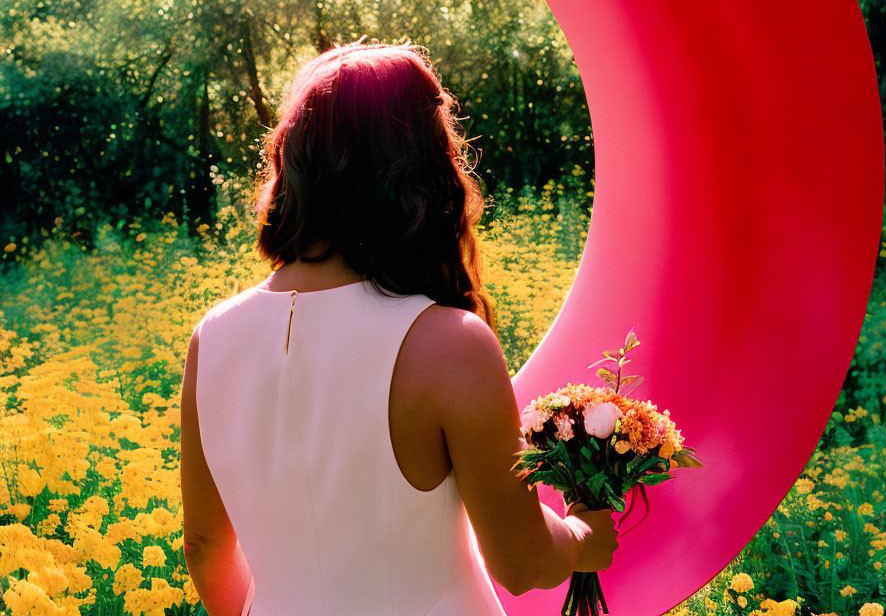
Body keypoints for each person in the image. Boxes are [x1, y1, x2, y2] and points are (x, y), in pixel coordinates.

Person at [179, 37, 619, 616]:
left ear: (295, 165)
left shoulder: (212, 336)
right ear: (423, 172)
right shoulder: (449, 345)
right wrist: (585, 536)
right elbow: (521, 563)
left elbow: (206, 544)